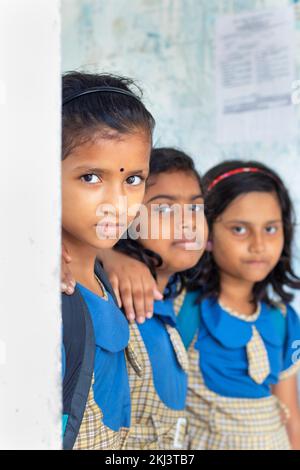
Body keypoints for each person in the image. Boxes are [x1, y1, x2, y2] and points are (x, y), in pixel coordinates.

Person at [100, 160, 300, 450]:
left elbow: (291, 414)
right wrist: (112, 256)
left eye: (270, 229)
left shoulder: (284, 318)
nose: (258, 245)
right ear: (207, 233)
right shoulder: (178, 301)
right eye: (239, 229)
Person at [61, 71, 154, 449]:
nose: (117, 202)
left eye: (133, 179)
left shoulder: (104, 278)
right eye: (90, 177)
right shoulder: (44, 287)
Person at [113, 148, 208, 449]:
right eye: (164, 209)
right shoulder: (113, 298)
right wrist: (107, 255)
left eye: (195, 208)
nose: (187, 223)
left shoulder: (175, 296)